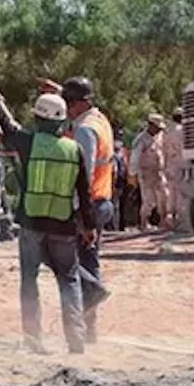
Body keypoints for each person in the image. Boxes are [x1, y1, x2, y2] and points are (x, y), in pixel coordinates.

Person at [0, 84, 101, 354]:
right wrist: (89, 226)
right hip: (64, 226)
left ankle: (34, 339)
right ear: (61, 120)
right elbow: (85, 193)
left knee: (29, 280)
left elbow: (9, 128)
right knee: (69, 280)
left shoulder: (29, 142)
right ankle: (76, 340)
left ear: (38, 118)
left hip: (32, 223)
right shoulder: (74, 150)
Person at [60, 76, 114, 343]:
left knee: (68, 261)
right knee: (88, 262)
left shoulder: (85, 131)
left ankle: (88, 311)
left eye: (69, 103)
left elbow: (84, 175)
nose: (66, 108)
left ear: (80, 103)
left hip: (88, 205)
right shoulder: (99, 120)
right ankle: (89, 329)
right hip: (101, 202)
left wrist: (82, 217)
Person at [131, 113, 172, 231]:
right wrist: (132, 174)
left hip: (159, 172)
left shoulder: (158, 137)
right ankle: (144, 222)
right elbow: (135, 157)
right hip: (146, 174)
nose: (159, 130)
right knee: (148, 199)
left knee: (165, 195)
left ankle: (163, 221)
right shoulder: (141, 140)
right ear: (151, 125)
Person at [165, 106, 189, 232]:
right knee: (181, 193)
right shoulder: (182, 131)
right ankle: (181, 222)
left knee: (170, 193)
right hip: (181, 163)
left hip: (170, 164)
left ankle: (170, 220)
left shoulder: (167, 131)